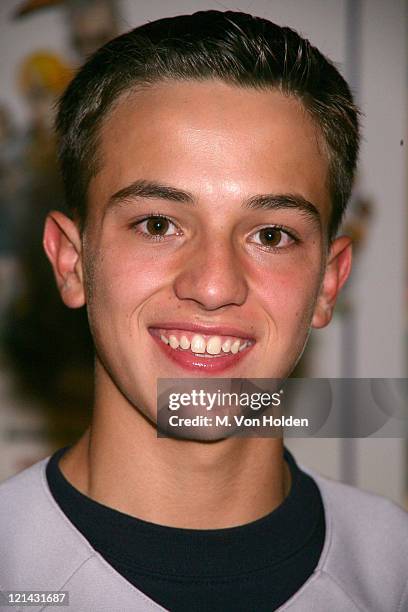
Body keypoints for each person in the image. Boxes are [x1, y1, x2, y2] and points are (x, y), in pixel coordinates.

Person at [0, 10, 407, 612]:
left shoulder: (393, 568)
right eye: (158, 224)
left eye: (270, 235)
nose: (214, 286)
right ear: (70, 262)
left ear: (328, 281)